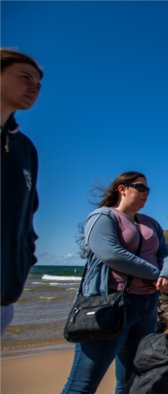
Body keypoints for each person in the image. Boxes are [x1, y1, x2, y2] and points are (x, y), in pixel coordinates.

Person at [62, 171, 168, 394]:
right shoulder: (102, 217)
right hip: (110, 305)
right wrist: (156, 274)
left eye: (148, 190)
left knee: (131, 380)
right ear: (122, 189)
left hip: (146, 306)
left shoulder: (150, 223)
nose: (146, 194)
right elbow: (112, 254)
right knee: (84, 383)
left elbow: (166, 253)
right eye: (141, 188)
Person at [1, 49, 44, 333]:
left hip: (4, 297)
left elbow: (29, 214)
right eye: (25, 77)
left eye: (39, 85)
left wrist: (24, 257)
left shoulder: (25, 148)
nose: (33, 88)